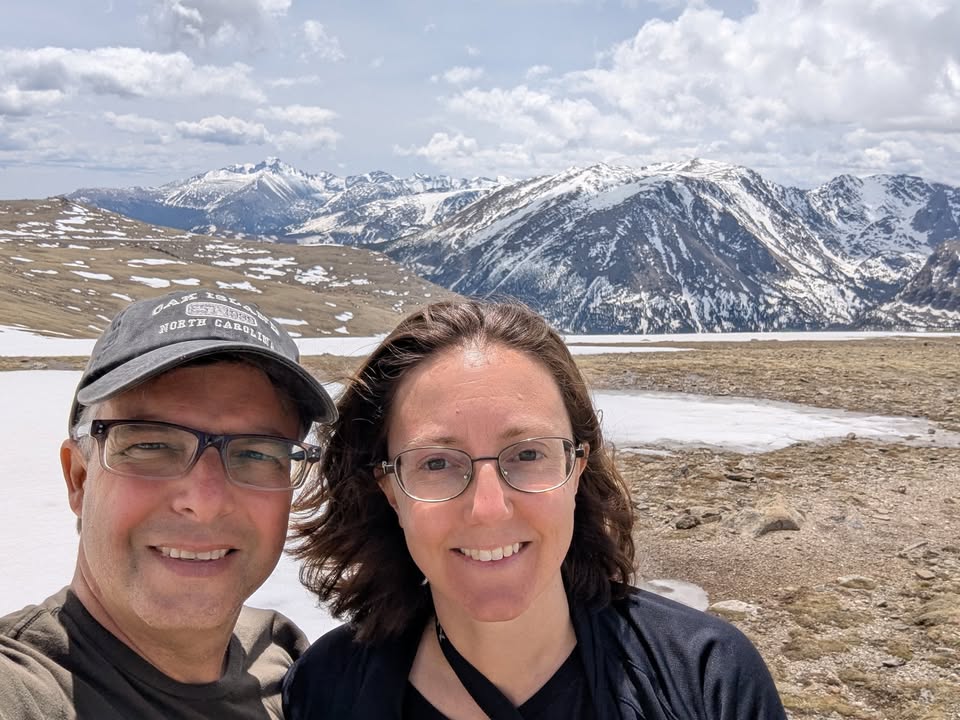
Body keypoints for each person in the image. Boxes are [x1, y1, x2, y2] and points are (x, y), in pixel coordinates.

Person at [283, 300, 787, 719]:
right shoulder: (326, 691)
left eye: (527, 455)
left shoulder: (704, 678)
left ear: (578, 469)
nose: (488, 508)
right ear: (390, 490)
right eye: (436, 462)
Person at [0, 289, 337, 719]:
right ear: (79, 479)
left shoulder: (288, 662)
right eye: (151, 445)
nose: (205, 501)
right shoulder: (23, 690)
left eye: (257, 453)